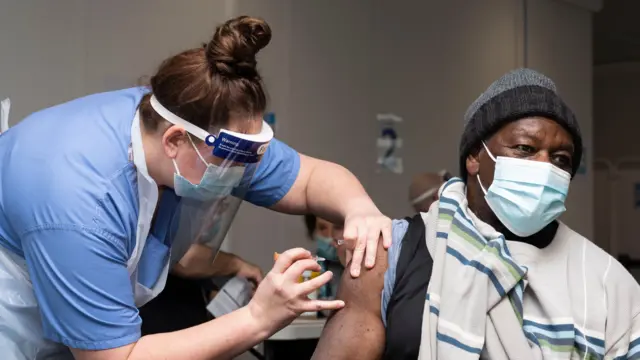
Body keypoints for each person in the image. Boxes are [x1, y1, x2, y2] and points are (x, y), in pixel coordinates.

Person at [0, 16, 392, 360]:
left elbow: (308, 179)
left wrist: (359, 207)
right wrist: (259, 317)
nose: (243, 171)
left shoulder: (204, 125)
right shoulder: (80, 203)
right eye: (234, 156)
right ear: (174, 141)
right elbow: (116, 357)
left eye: (251, 152)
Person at [312, 69, 640, 360]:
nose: (544, 167)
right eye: (525, 149)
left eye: (561, 159)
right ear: (474, 156)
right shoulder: (391, 256)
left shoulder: (607, 282)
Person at [304, 215, 347, 300]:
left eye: (338, 227)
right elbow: (306, 312)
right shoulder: (307, 270)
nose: (331, 237)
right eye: (323, 228)